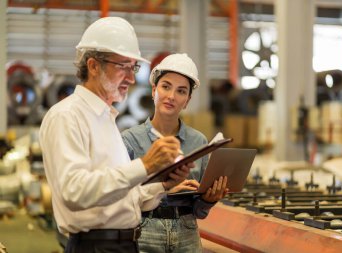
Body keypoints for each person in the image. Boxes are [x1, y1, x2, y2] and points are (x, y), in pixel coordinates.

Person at [39, 17, 194, 253]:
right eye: (123, 66)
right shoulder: (67, 116)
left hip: (122, 244)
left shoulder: (105, 119)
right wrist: (145, 165)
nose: (131, 78)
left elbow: (122, 198)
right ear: (93, 66)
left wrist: (163, 184)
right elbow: (74, 191)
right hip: (96, 246)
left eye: (134, 67)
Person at [122, 53, 228, 253]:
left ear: (187, 100)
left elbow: (199, 211)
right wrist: (165, 190)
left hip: (187, 233)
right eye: (166, 86)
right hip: (145, 231)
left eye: (181, 91)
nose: (171, 96)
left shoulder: (199, 142)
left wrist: (209, 200)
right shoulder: (130, 141)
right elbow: (120, 201)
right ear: (154, 90)